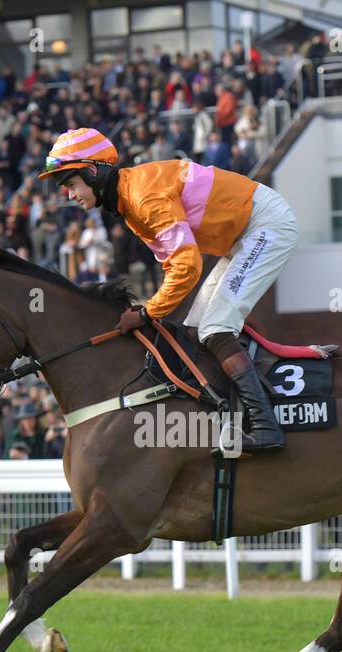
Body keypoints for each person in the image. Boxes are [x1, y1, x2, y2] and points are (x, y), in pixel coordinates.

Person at [39, 127, 296, 452]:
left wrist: (147, 312)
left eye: (71, 185)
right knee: (197, 329)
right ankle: (241, 410)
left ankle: (265, 425)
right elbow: (175, 267)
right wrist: (151, 311)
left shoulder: (144, 195)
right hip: (241, 237)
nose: (69, 195)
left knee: (216, 327)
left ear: (91, 172)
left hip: (265, 226)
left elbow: (188, 266)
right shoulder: (130, 203)